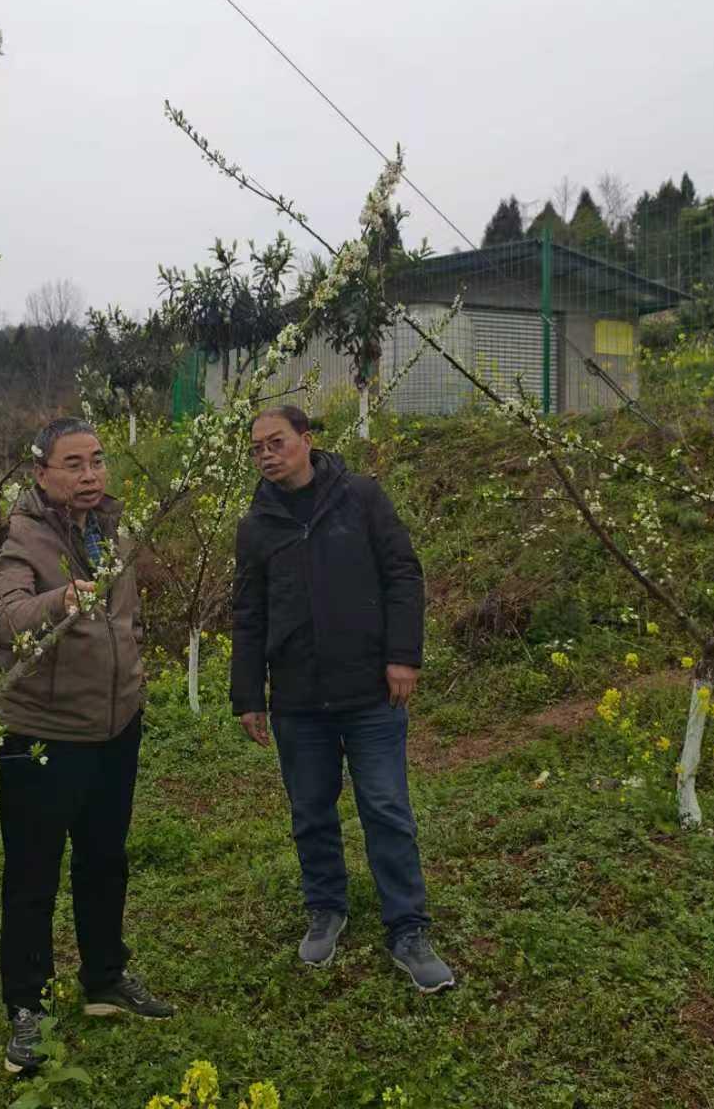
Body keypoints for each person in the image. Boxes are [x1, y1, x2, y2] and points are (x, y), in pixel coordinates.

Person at [230, 405, 454, 992]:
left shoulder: (361, 498)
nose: (266, 455)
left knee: (386, 807)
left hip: (369, 693)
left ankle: (408, 928)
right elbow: (248, 615)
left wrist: (403, 655)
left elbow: (403, 574)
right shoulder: (256, 526)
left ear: (306, 439)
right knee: (310, 810)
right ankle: (326, 907)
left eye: (276, 442)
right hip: (298, 700)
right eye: (256, 449)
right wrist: (249, 695)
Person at [0, 416, 174, 1076]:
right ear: (41, 473)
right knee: (32, 876)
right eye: (73, 464)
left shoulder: (112, 528)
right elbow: (3, 619)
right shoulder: (18, 536)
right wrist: (59, 599)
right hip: (44, 734)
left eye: (96, 460)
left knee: (104, 859)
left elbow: (126, 618)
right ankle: (26, 1007)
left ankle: (104, 978)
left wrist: (135, 671)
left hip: (115, 727)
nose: (90, 475)